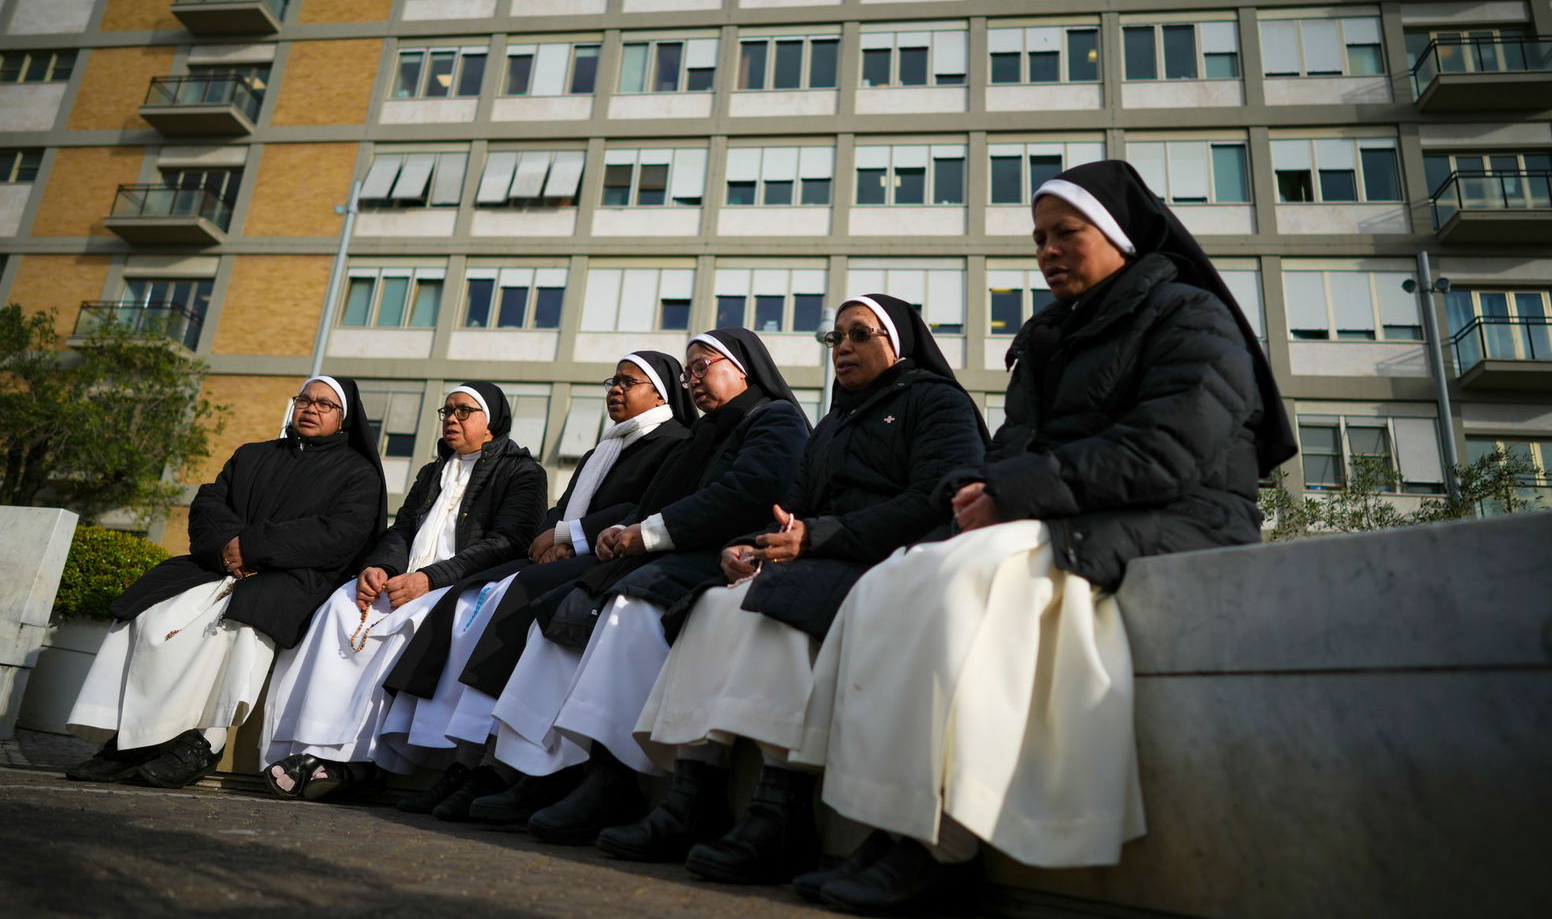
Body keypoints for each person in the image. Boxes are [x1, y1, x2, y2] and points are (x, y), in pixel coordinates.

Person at [789, 159, 1298, 914]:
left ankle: (945, 845)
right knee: (896, 578)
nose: (1049, 251)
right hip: (1074, 509)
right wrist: (972, 495)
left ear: (1120, 235)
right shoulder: (1047, 335)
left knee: (963, 579)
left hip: (1181, 515)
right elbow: (1014, 449)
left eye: (1068, 233)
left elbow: (1168, 451)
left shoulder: (1192, 316)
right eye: (1038, 238)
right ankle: (896, 826)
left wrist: (1009, 493)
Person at [607, 297, 988, 883]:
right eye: (834, 338)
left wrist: (820, 538)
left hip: (894, 556)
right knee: (712, 603)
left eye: (860, 335)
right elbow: (797, 514)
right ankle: (693, 795)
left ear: (900, 343)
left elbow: (939, 496)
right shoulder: (832, 423)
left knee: (779, 606)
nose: (844, 348)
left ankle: (779, 812)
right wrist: (754, 545)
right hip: (825, 554)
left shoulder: (937, 402)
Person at [472, 328, 811, 842]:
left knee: (628, 604)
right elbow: (657, 497)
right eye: (688, 370)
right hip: (677, 552)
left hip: (721, 553)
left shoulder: (774, 418)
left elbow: (749, 491)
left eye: (704, 366)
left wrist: (647, 534)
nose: (693, 379)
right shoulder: (705, 433)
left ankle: (613, 777)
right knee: (559, 608)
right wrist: (618, 531)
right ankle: (531, 770)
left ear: (744, 369)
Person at [375, 353, 696, 818]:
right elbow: (562, 508)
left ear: (663, 392)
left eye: (630, 382)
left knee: (511, 597)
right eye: (614, 381)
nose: (616, 389)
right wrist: (550, 536)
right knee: (475, 599)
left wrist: (567, 538)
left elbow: (641, 506)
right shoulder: (602, 449)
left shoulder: (674, 443)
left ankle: (501, 768)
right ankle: (468, 762)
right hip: (568, 554)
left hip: (610, 556)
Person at [65, 375, 385, 789]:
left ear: (343, 419)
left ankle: (203, 742)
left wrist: (252, 547)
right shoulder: (252, 454)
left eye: (326, 404)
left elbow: (339, 533)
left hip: (296, 575)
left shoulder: (358, 474)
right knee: (151, 614)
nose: (311, 409)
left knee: (238, 625)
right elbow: (209, 504)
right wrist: (228, 549)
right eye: (305, 400)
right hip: (222, 565)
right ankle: (133, 741)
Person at [259, 381, 545, 800]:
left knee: (411, 622)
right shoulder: (434, 471)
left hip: (460, 585)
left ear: (492, 423)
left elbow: (510, 541)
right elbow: (404, 528)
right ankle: (310, 743)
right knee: (341, 607)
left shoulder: (523, 472)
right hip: (406, 578)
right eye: (447, 411)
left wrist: (431, 578)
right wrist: (380, 566)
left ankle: (358, 758)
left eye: (464, 411)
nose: (452, 418)